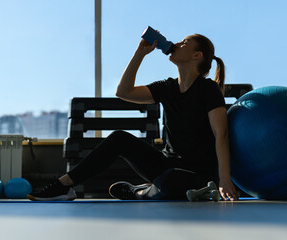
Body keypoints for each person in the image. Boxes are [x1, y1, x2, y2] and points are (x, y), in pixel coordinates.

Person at [27, 33, 239, 201]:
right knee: (120, 138)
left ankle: (139, 193)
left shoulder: (208, 89)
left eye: (184, 43)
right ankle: (64, 185)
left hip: (196, 173)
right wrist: (140, 53)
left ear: (196, 55)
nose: (176, 43)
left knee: (172, 180)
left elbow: (221, 135)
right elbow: (124, 92)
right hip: (166, 165)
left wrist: (224, 180)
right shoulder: (166, 87)